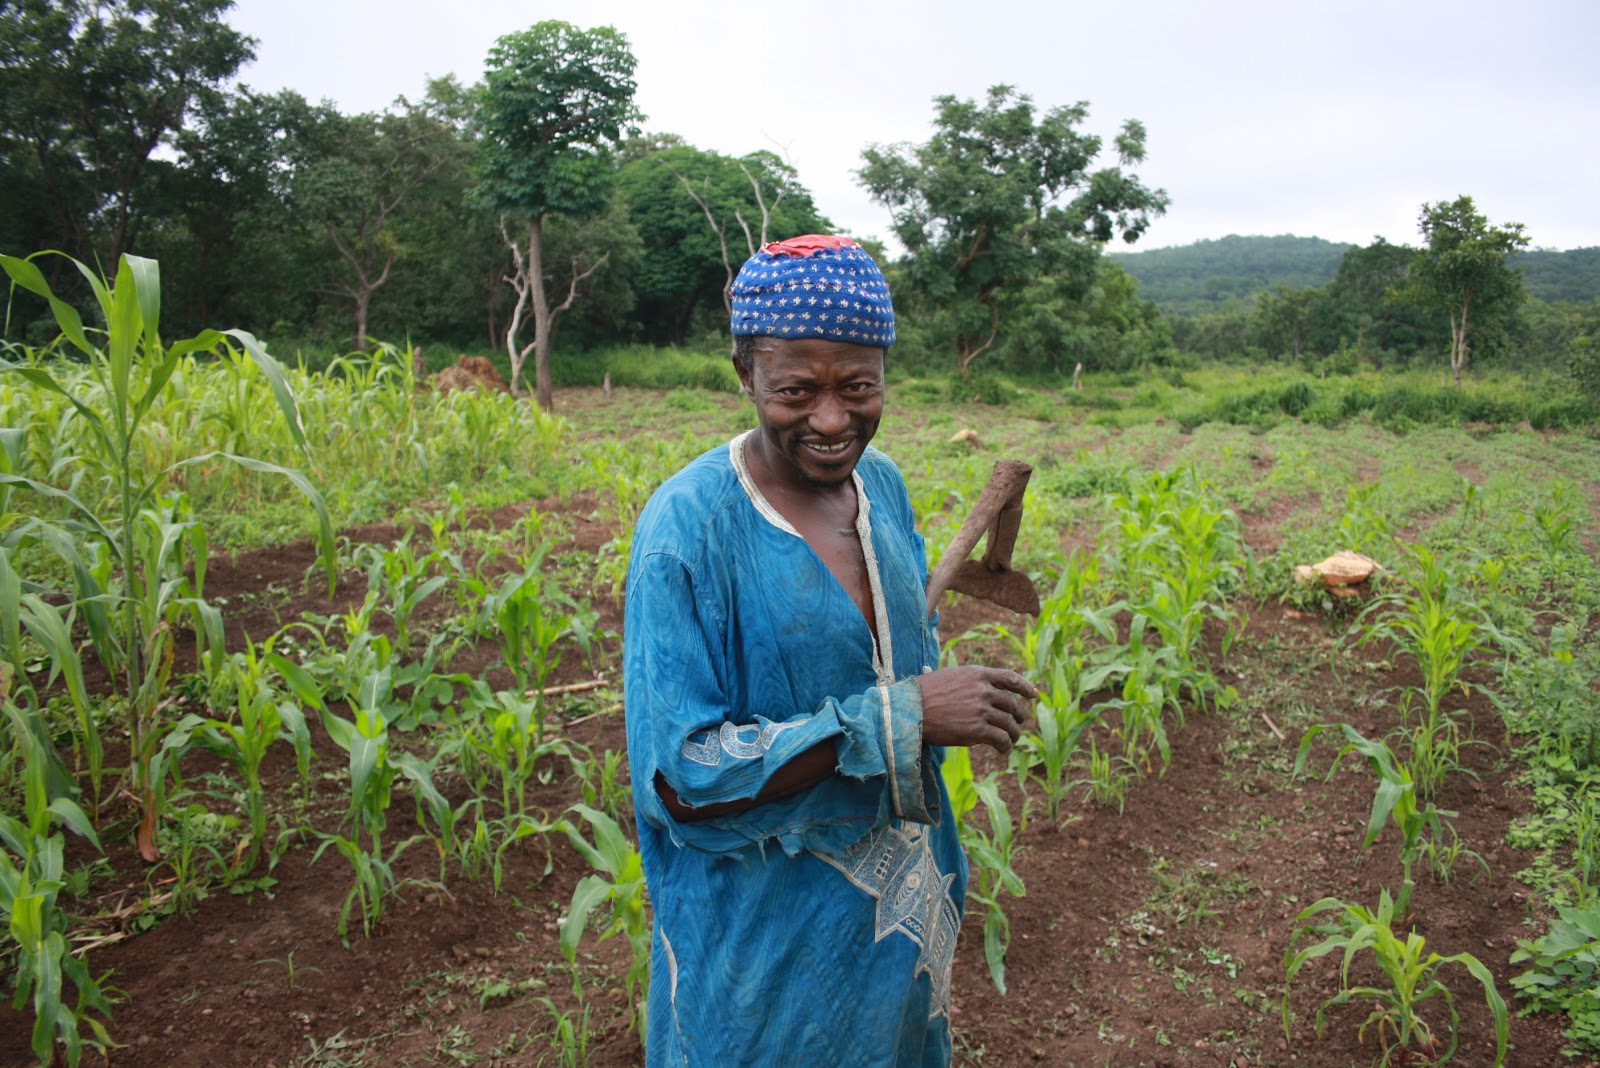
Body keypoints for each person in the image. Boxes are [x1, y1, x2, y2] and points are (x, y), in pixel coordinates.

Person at [623, 234, 1036, 1067]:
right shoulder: (689, 531)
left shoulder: (880, 484)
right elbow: (680, 778)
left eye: (858, 387)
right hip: (763, 942)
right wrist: (901, 716)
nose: (832, 419)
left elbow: (893, 658)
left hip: (896, 918)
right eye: (795, 391)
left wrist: (925, 696)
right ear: (745, 375)